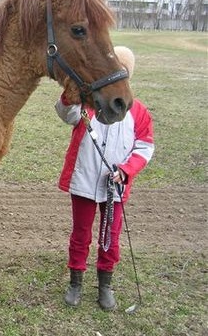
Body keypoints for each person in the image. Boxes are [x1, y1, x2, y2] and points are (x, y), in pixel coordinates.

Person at [55, 46, 155, 310]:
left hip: (115, 186)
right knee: (80, 234)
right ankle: (76, 282)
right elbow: (67, 114)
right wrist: (70, 93)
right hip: (84, 181)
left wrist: (126, 170)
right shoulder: (89, 104)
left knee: (110, 235)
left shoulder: (139, 112)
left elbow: (145, 147)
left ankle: (105, 286)